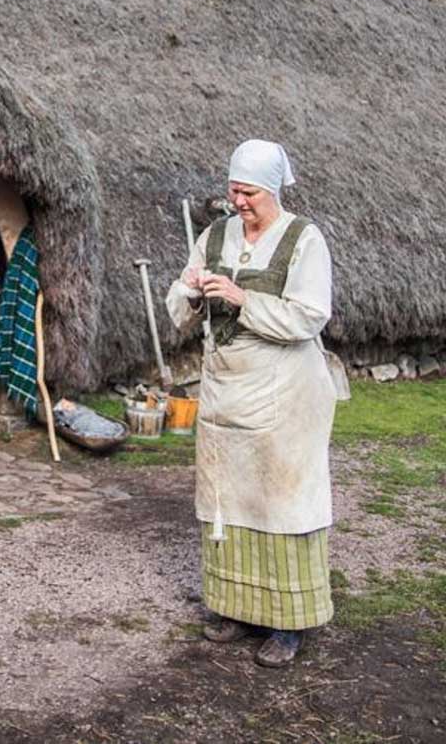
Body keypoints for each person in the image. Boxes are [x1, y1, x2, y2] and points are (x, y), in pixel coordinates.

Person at [166, 139, 337, 668]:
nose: (238, 201)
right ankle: (235, 608)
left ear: (273, 189)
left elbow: (311, 315)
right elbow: (177, 301)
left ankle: (287, 626)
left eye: (248, 192)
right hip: (226, 391)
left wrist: (245, 299)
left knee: (281, 500)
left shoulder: (303, 238)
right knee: (229, 499)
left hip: (285, 394)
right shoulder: (215, 235)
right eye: (234, 190)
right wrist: (192, 292)